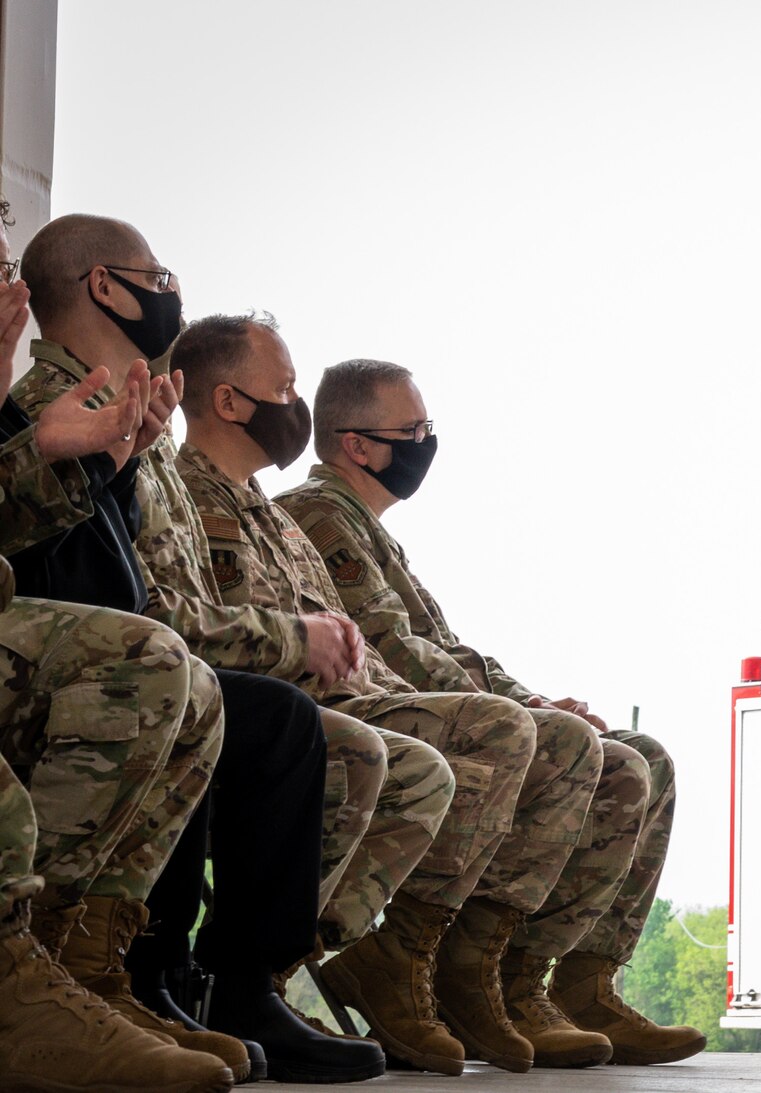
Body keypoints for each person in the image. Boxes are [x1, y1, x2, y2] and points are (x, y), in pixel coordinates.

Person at [170, 312, 621, 1075]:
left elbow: (402, 648)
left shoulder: (273, 520)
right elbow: (215, 626)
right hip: (272, 714)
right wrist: (510, 711)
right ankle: (339, 967)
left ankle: (504, 976)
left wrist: (524, 698)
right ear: (226, 400)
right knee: (500, 739)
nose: (295, 405)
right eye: (282, 387)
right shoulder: (250, 502)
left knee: (614, 757)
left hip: (338, 704)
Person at [9, 215, 395, 1082]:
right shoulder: (58, 403)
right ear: (105, 285)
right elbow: (107, 589)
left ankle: (173, 976)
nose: (170, 293)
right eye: (158, 274)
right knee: (211, 691)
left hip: (126, 649)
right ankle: (124, 970)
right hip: (80, 657)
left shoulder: (124, 412)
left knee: (222, 696)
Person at [277, 358, 704, 1065]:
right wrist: (522, 711)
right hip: (366, 714)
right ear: (355, 443)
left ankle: (559, 982)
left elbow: (447, 648)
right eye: (412, 430)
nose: (425, 443)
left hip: (420, 706)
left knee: (640, 759)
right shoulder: (321, 516)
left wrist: (527, 696)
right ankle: (461, 973)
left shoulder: (370, 526)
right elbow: (396, 651)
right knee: (563, 744)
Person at [0, 208, 235, 1092]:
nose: (11, 294)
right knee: (152, 659)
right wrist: (57, 448)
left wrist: (99, 461)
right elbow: (72, 581)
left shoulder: (78, 406)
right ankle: (24, 976)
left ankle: (77, 968)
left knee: (196, 680)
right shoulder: (51, 395)